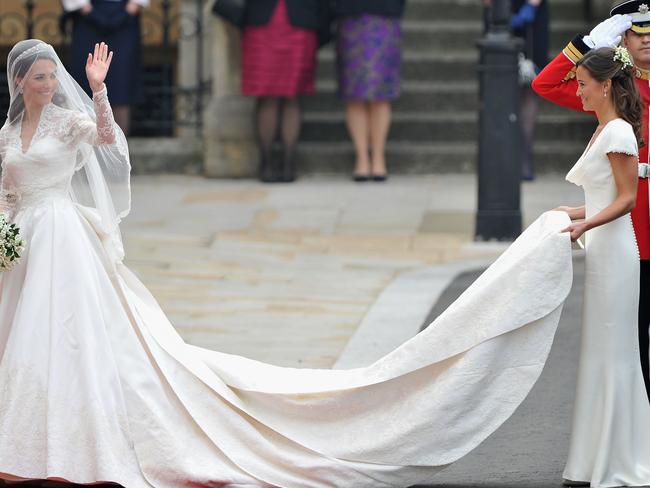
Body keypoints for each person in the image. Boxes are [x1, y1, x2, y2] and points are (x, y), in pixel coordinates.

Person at [0, 39, 582, 487]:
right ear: (21, 82)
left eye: (55, 76)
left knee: (68, 334)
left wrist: (98, 88)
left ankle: (73, 438)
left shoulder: (68, 121)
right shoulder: (9, 131)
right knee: (21, 333)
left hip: (67, 241)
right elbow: (7, 188)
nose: (51, 85)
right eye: (41, 77)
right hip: (24, 238)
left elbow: (105, 141)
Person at [532, 0, 650, 405]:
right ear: (622, 38)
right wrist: (584, 45)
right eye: (637, 31)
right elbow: (546, 85)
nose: (647, 38)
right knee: (634, 341)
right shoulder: (615, 90)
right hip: (635, 230)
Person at [555, 46, 650, 488]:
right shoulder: (603, 130)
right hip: (602, 251)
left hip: (616, 254)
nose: (578, 92)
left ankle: (622, 458)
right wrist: (571, 213)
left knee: (616, 355)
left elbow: (627, 200)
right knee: (598, 352)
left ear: (606, 84)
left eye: (583, 84)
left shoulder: (619, 134)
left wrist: (584, 224)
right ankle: (595, 458)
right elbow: (600, 197)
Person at [241, 0, 330, 183]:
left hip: (300, 24)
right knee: (268, 95)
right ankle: (266, 162)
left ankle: (288, 162)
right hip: (264, 23)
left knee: (291, 95)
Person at [334, 0, 406, 182]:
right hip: (351, 17)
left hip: (385, 16)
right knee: (354, 93)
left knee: (381, 92)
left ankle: (378, 157)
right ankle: (362, 158)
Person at [61, 0, 147, 135]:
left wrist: (129, 10)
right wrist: (88, 11)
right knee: (86, 84)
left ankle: (117, 149)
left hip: (124, 23)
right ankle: (87, 149)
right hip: (87, 22)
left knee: (121, 86)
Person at [509, 0, 549, 180]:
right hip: (501, 14)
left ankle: (524, 160)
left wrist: (532, 5)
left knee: (528, 92)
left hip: (533, 16)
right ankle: (504, 159)